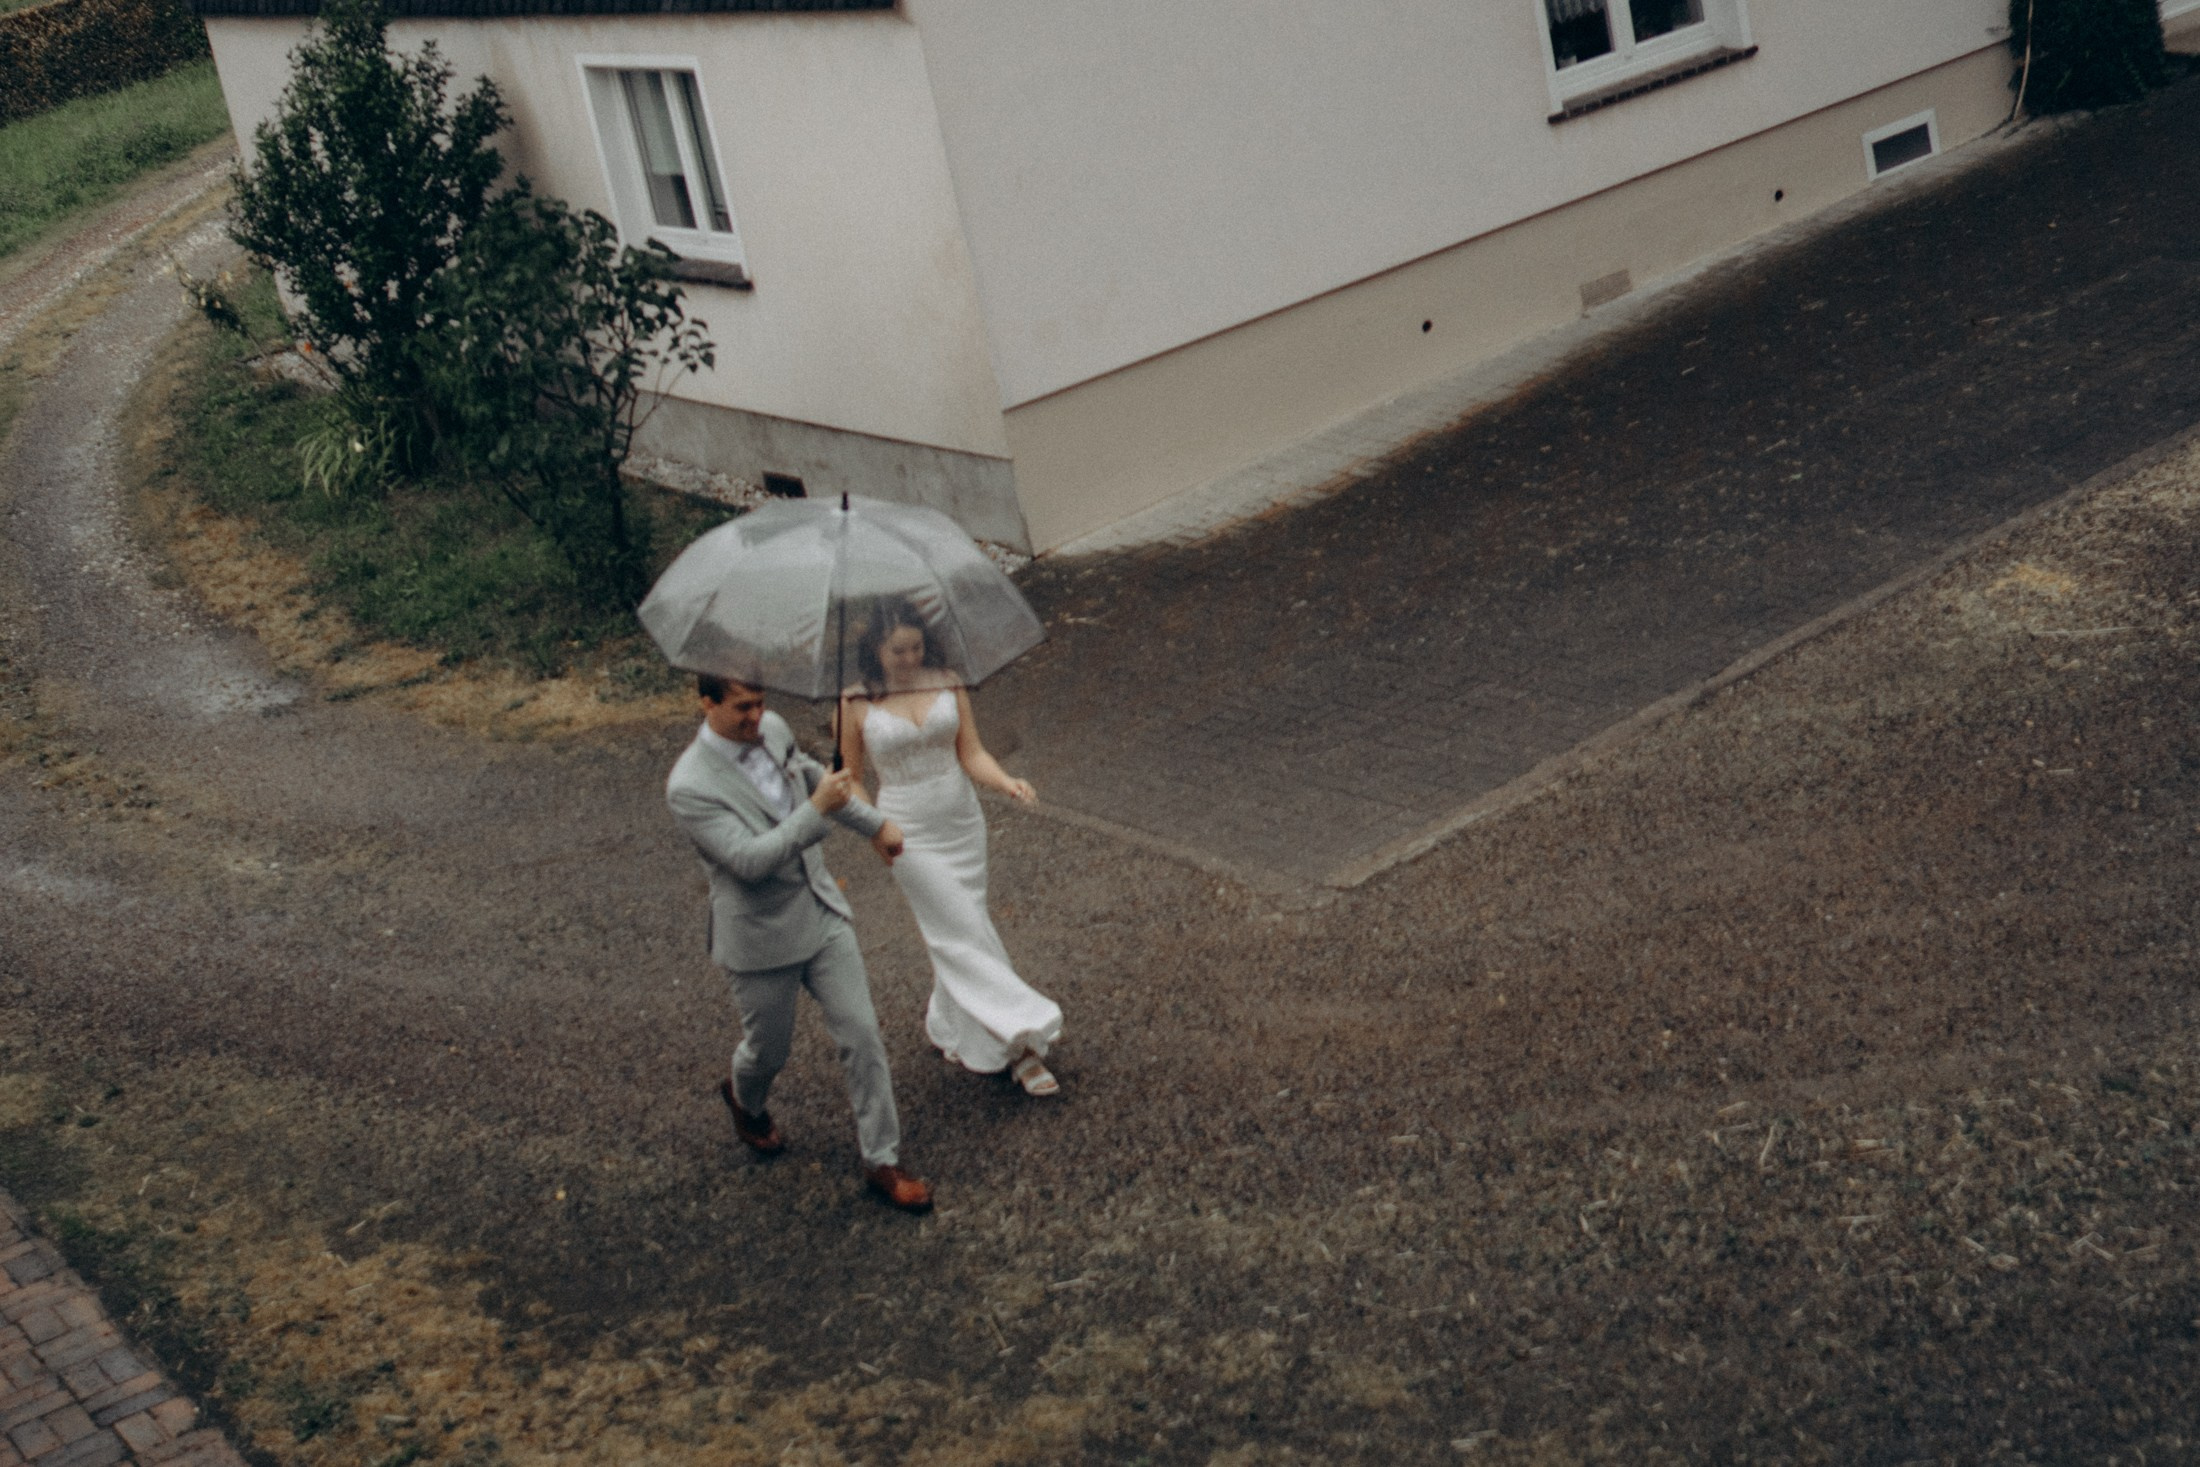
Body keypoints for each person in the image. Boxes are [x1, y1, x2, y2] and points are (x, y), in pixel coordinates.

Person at [665, 673, 933, 1212]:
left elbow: (812, 778)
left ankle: (882, 1159)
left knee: (862, 1035)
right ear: (706, 703)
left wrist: (875, 824)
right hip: (760, 937)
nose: (756, 717)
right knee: (769, 1050)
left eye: (762, 704)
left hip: (821, 913)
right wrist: (815, 810)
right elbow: (748, 861)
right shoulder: (689, 785)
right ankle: (745, 1098)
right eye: (742, 707)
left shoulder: (775, 728)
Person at [838, 598, 1065, 1096]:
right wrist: (876, 826)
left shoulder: (947, 680)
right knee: (960, 930)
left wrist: (1005, 781)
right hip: (906, 830)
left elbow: (972, 752)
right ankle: (1022, 1043)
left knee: (964, 926)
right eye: (898, 650)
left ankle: (949, 1022)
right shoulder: (854, 700)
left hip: (961, 820)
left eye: (916, 647)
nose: (909, 657)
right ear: (876, 649)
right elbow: (850, 779)